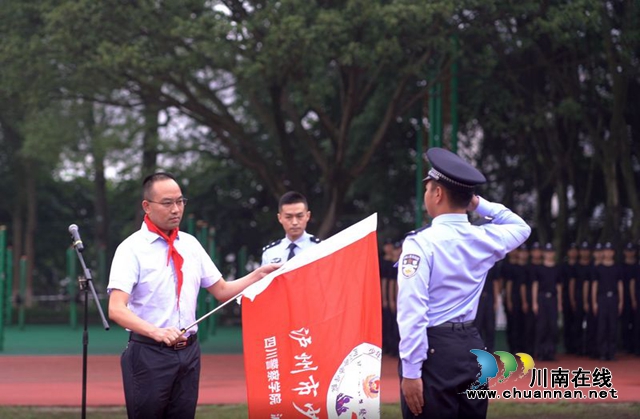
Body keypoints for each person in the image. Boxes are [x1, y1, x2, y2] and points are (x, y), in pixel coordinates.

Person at [107, 172, 279, 419]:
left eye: (180, 201)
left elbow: (221, 290)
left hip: (189, 353)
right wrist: (158, 332)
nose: (176, 209)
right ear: (147, 206)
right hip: (149, 354)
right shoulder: (131, 249)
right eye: (167, 203)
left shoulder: (190, 244)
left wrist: (257, 275)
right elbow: (116, 309)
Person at [396, 148, 531, 419]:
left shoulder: (421, 243)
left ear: (437, 193)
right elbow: (521, 226)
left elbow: (412, 309)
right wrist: (477, 203)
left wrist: (411, 371)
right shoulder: (484, 238)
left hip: (434, 350)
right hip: (471, 345)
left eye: (428, 189)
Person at [261, 191, 321, 265]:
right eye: (288, 217)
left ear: (307, 216)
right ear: (280, 218)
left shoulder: (320, 248)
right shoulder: (270, 253)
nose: (294, 222)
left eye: (299, 216)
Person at [592, 242, 623, 360]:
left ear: (613, 253)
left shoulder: (617, 267)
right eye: (606, 250)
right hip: (602, 298)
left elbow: (620, 285)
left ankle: (612, 352)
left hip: (614, 298)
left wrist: (620, 301)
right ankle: (602, 352)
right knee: (602, 326)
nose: (608, 253)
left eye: (610, 250)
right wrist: (594, 301)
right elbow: (594, 286)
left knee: (613, 326)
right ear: (603, 252)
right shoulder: (598, 268)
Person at [531, 243, 562, 361]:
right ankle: (540, 352)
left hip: (553, 299)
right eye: (547, 252)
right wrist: (535, 302)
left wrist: (559, 303)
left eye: (551, 252)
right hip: (542, 298)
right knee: (542, 326)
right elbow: (535, 286)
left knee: (552, 326)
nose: (549, 254)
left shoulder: (557, 268)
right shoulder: (539, 268)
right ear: (544, 254)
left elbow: (558, 287)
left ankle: (551, 352)